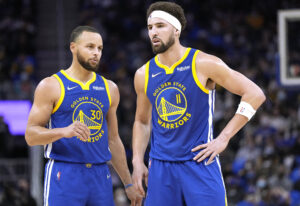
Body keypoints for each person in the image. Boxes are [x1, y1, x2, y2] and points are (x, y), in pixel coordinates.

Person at [131, 2, 266, 206]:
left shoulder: (203, 63)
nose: (153, 32)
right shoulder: (143, 74)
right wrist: (137, 160)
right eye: (150, 28)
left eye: (160, 26)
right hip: (160, 168)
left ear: (176, 30)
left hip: (200, 162)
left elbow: (255, 94)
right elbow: (141, 121)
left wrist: (224, 138)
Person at [25, 26, 142, 206]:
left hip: (100, 175)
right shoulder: (51, 85)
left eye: (100, 48)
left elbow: (113, 140)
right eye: (90, 47)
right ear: (73, 47)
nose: (96, 53)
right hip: (64, 172)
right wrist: (63, 131)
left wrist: (128, 183)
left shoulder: (110, 88)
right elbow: (31, 136)